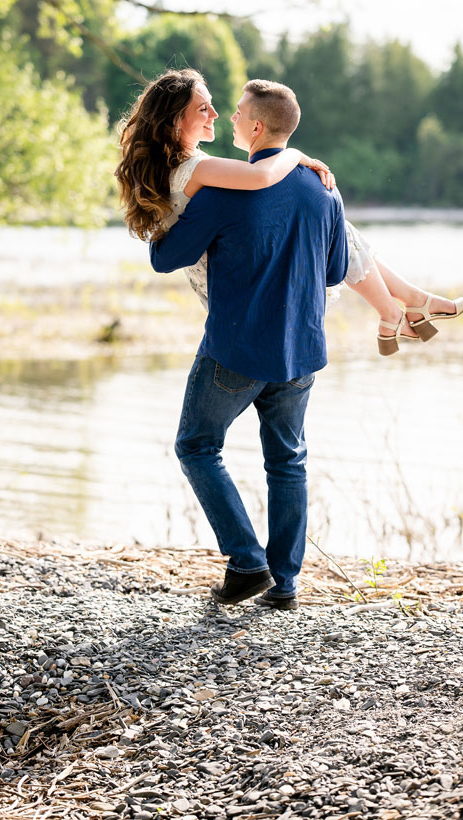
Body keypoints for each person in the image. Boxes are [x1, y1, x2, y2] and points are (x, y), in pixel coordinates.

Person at [142, 77, 347, 610]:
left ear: (256, 126)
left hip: (234, 348)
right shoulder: (324, 187)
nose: (227, 120)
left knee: (196, 446)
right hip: (300, 351)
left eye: (234, 113)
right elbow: (337, 270)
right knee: (287, 462)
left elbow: (167, 259)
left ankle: (245, 558)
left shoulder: (225, 189)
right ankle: (285, 585)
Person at [116, 69, 463, 356]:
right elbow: (261, 175)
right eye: (202, 108)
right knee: (330, 218)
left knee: (335, 222)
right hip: (238, 286)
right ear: (176, 122)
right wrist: (295, 154)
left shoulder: (172, 164)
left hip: (222, 275)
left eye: (211, 104)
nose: (217, 114)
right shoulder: (196, 167)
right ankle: (402, 307)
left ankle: (402, 306)